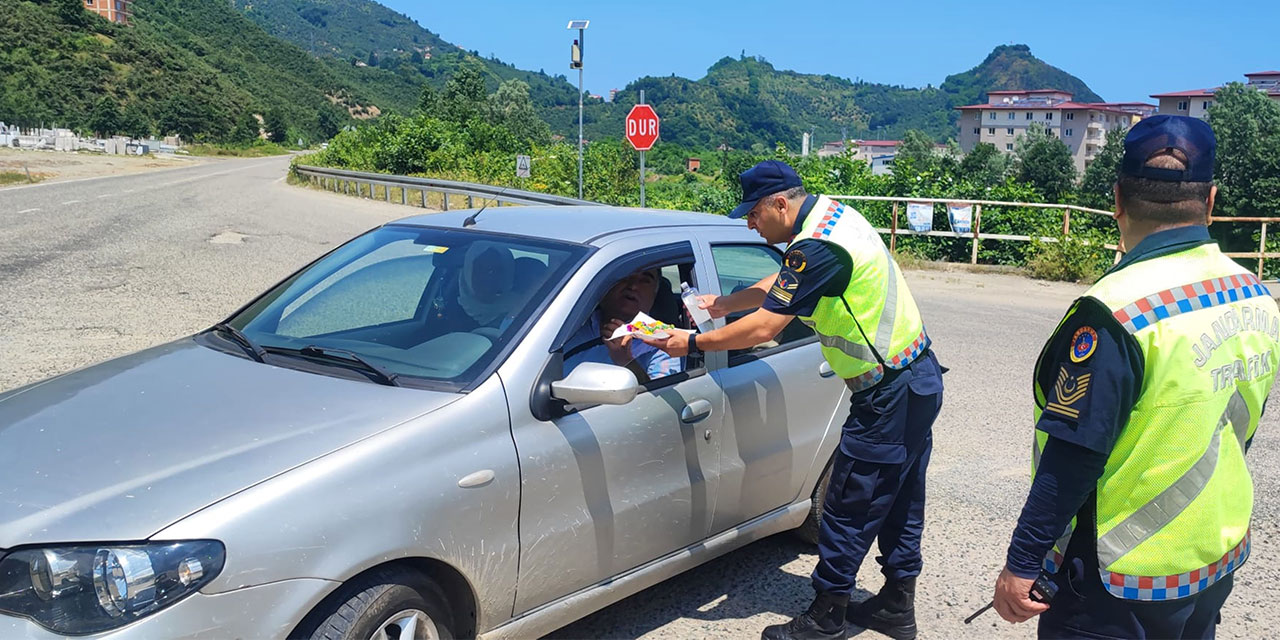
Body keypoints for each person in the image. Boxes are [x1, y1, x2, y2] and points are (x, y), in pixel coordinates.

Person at [990, 115, 1280, 639]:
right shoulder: (1251, 291)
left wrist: (1022, 563)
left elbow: (1073, 455)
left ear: (1117, 199)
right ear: (1211, 201)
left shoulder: (1113, 313)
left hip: (1120, 578)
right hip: (1215, 552)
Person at [640, 160, 943, 640]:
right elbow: (781, 286)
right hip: (914, 379)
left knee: (850, 502)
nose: (749, 225)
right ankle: (895, 604)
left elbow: (766, 326)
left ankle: (826, 618)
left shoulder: (817, 246)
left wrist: (690, 344)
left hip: (887, 391)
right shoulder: (832, 219)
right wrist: (720, 306)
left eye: (754, 215)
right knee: (902, 498)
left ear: (780, 203)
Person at [565, 267, 682, 383]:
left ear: (655, 293)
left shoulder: (665, 342)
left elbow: (661, 398)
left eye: (645, 280)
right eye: (625, 276)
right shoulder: (570, 325)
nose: (633, 286)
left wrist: (625, 360)